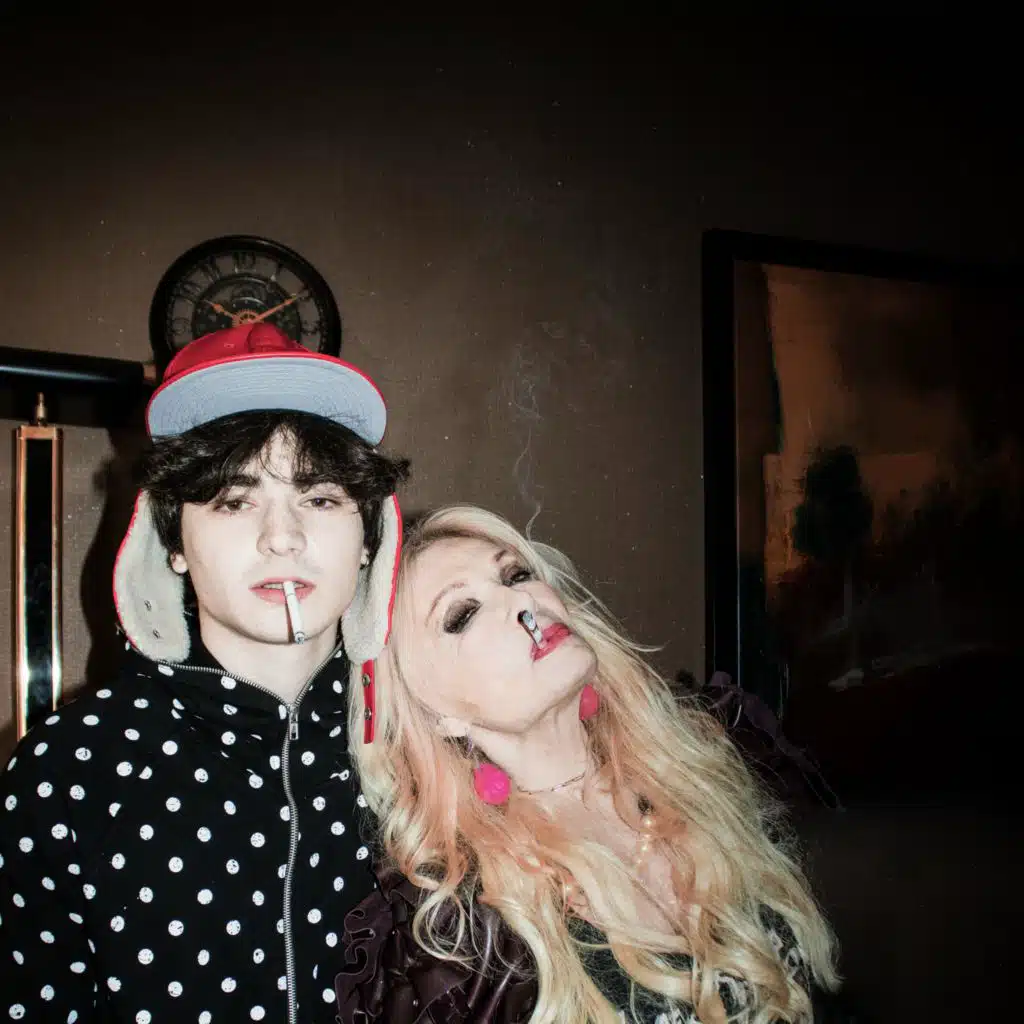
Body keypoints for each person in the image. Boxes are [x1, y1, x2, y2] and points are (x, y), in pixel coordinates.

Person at [0, 322, 409, 1022]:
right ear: (174, 541)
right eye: (233, 500)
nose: (282, 537)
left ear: (368, 538)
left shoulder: (431, 744)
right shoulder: (70, 765)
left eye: (319, 498)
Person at [335, 505, 842, 1024]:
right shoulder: (464, 939)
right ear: (437, 715)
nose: (522, 601)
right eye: (463, 614)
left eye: (517, 574)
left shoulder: (717, 756)